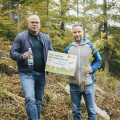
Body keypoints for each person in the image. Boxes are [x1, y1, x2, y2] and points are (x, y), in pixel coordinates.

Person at [10, 15, 53, 120]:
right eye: (32, 22)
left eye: (37, 22)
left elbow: (51, 54)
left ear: (40, 24)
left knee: (38, 101)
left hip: (41, 74)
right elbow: (12, 53)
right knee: (30, 98)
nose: (35, 24)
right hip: (27, 73)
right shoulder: (21, 37)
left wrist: (55, 66)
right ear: (28, 24)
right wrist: (21, 56)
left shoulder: (46, 38)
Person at [64, 24, 102, 120]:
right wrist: (65, 71)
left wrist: (92, 69)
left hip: (88, 84)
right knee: (76, 111)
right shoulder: (68, 49)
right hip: (74, 84)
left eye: (79, 32)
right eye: (75, 32)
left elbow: (99, 60)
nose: (77, 34)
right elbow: (65, 65)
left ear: (83, 32)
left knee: (91, 111)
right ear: (72, 33)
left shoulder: (91, 46)